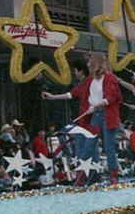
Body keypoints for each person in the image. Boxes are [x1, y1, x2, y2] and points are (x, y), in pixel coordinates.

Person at [43, 53, 124, 184]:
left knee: (109, 147)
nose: (87, 64)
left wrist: (96, 106)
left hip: (106, 114)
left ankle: (113, 177)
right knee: (89, 146)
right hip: (95, 115)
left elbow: (111, 97)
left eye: (90, 61)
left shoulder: (109, 78)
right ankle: (81, 176)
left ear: (96, 63)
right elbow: (74, 93)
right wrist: (53, 97)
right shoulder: (90, 80)